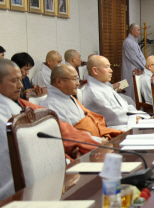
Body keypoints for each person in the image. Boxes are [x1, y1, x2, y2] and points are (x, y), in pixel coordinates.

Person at [0, 60, 99, 199]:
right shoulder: (7, 117)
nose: (20, 86)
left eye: (20, 80)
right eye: (14, 81)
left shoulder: (15, 106)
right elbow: (25, 154)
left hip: (46, 177)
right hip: (19, 193)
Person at [40, 65, 122, 142]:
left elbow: (91, 119)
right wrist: (98, 141)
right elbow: (68, 135)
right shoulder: (51, 105)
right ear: (59, 82)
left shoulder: (69, 97)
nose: (78, 83)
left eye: (78, 79)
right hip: (87, 146)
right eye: (74, 79)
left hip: (96, 139)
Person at [83, 55, 139, 128]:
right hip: (114, 128)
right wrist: (134, 118)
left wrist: (136, 115)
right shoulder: (93, 92)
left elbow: (125, 105)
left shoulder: (104, 86)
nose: (111, 70)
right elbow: (113, 117)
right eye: (107, 67)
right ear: (95, 70)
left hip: (125, 122)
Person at [121, 23, 145, 101]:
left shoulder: (133, 41)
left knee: (137, 93)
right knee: (131, 92)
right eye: (138, 30)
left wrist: (146, 66)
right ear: (132, 30)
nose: (139, 32)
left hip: (137, 69)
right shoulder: (127, 42)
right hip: (131, 70)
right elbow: (134, 59)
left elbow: (140, 56)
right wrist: (145, 67)